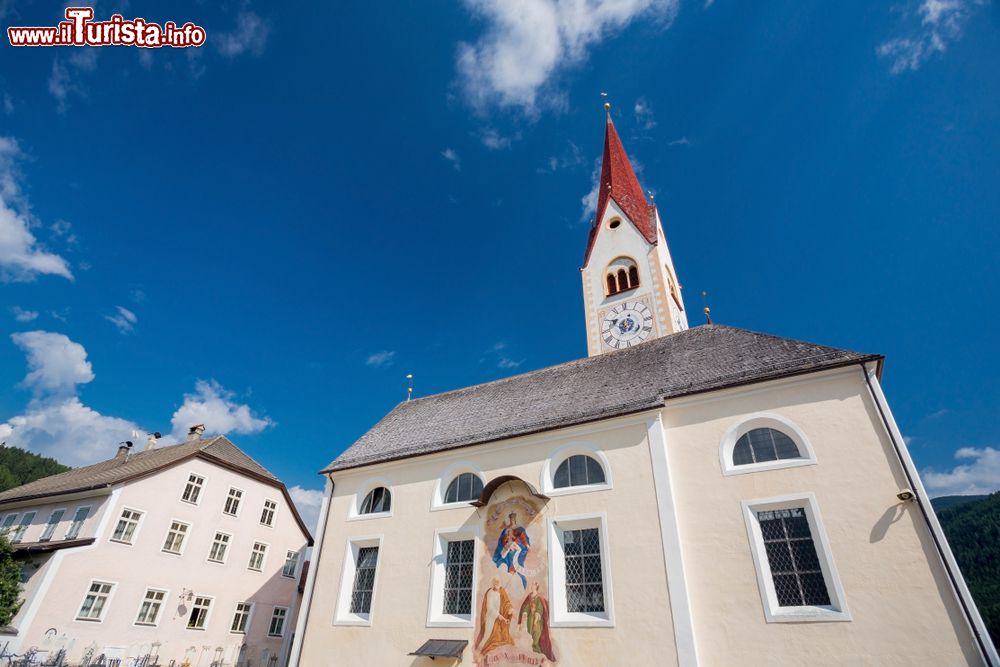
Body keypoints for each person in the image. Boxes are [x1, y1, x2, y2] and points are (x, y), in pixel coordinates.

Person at [475, 578, 514, 656]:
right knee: (487, 637)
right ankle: (479, 653)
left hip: (500, 618)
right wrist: (501, 617)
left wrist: (510, 609)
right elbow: (490, 608)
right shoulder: (490, 593)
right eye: (496, 584)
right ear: (493, 584)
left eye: (499, 584)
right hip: (491, 619)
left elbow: (506, 602)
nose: (498, 586)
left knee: (500, 637)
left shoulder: (501, 591)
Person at [518, 581, 555, 662]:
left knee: (536, 635)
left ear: (536, 587)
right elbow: (526, 607)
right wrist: (524, 613)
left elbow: (540, 609)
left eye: (533, 585)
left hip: (537, 621)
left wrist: (536, 617)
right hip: (530, 619)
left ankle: (537, 652)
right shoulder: (530, 596)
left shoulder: (539, 597)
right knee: (530, 634)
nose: (531, 586)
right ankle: (533, 652)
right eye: (532, 585)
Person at [492, 512, 531, 588]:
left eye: (513, 519)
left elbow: (523, 539)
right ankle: (508, 574)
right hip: (509, 549)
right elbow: (502, 541)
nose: (512, 520)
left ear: (515, 519)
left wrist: (526, 545)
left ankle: (514, 572)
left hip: (518, 548)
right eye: (511, 519)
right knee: (504, 560)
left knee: (513, 556)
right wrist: (507, 546)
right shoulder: (507, 530)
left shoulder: (520, 529)